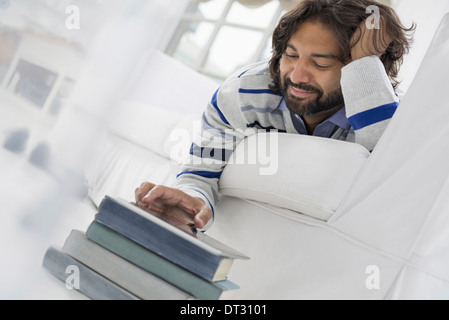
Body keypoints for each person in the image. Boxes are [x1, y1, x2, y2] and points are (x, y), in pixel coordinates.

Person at [134, 0, 415, 232]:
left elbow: (396, 182)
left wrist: (366, 64)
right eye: (291, 56)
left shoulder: (378, 110)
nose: (297, 75)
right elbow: (199, 173)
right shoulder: (243, 92)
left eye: (320, 63)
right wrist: (193, 202)